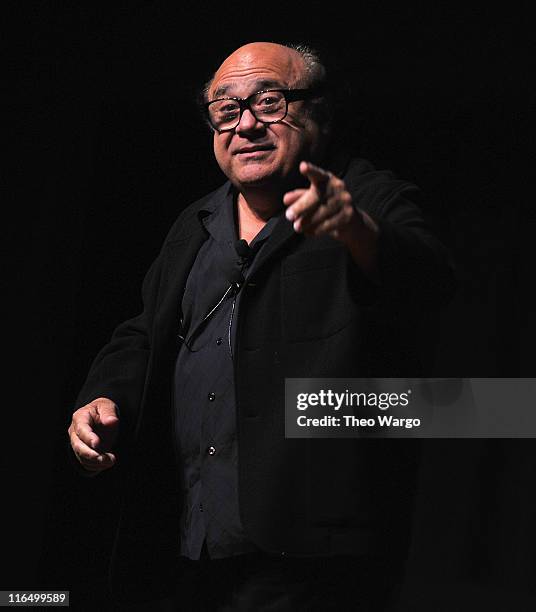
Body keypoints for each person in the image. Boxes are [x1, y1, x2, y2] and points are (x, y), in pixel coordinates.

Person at [68, 41, 454, 610]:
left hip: (309, 551)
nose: (246, 124)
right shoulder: (195, 223)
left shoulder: (364, 195)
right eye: (226, 109)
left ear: (316, 110)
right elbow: (144, 332)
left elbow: (428, 280)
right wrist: (102, 396)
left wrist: (355, 228)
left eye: (269, 102)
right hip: (189, 537)